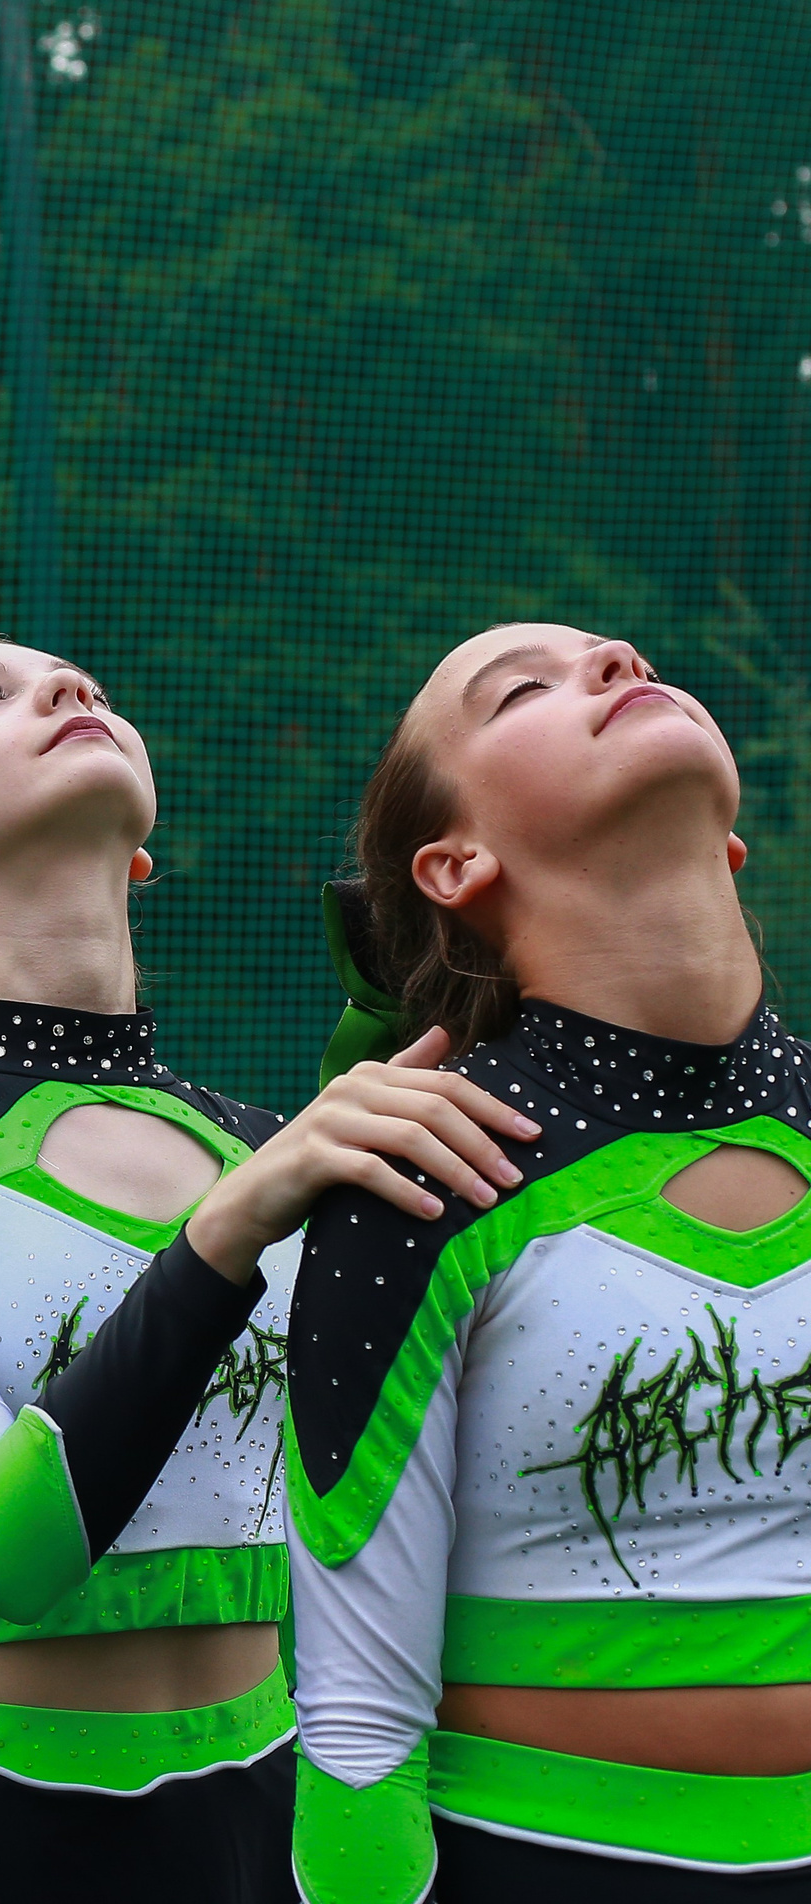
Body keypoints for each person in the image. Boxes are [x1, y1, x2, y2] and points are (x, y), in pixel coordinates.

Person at [0, 638, 525, 1903]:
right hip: (3, 1834)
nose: (70, 692)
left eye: (89, 687)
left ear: (141, 853)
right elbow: (2, 1548)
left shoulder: (274, 1142)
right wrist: (227, 1230)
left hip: (293, 1827)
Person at [289, 626, 811, 1903]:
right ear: (454, 862)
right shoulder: (419, 1174)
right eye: (523, 686)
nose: (621, 657)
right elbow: (355, 1727)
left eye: (616, 657)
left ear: (730, 840)